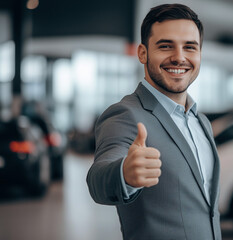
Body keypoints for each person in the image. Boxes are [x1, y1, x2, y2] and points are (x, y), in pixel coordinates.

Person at [86, 3, 221, 240]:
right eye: (166, 46)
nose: (179, 58)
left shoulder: (202, 121)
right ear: (142, 53)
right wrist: (124, 173)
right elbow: (98, 178)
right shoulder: (125, 114)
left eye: (190, 47)